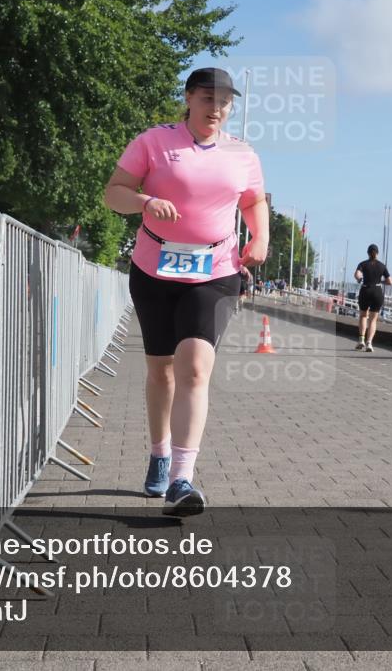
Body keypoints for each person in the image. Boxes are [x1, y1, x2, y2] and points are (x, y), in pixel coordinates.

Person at [104, 67, 269, 516]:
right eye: (207, 99)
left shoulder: (242, 154)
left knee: (194, 368)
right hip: (154, 268)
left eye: (224, 101)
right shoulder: (155, 141)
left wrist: (261, 237)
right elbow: (113, 192)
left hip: (215, 269)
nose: (216, 108)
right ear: (189, 98)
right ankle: (159, 454)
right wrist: (144, 201)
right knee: (162, 372)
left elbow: (253, 200)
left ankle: (181, 479)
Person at [353, 244, 392, 352]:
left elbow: (357, 274)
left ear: (368, 253)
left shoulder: (362, 264)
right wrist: (381, 281)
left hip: (365, 290)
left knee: (363, 316)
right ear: (377, 253)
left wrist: (359, 279)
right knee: (373, 319)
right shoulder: (382, 266)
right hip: (377, 292)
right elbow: (390, 281)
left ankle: (361, 339)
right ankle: (369, 343)